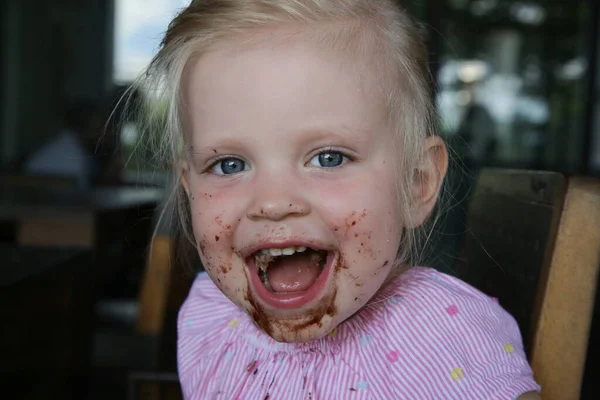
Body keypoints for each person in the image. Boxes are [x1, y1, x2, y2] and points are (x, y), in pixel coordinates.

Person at [130, 1, 541, 398]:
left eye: (329, 158)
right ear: (189, 187)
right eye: (230, 165)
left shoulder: (443, 339)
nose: (273, 203)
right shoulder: (212, 317)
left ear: (416, 183)